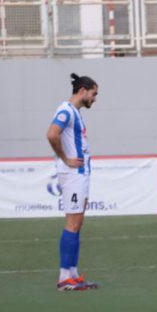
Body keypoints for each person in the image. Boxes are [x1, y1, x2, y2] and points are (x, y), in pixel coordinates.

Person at [47, 73, 99, 291]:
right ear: (83, 91)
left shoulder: (74, 112)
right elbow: (52, 134)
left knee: (78, 224)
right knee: (72, 224)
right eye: (93, 94)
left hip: (80, 174)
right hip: (73, 174)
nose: (94, 99)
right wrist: (65, 158)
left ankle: (72, 273)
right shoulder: (66, 110)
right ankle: (64, 277)